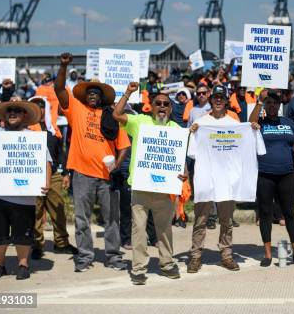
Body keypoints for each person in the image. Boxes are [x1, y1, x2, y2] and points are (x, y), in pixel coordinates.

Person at [54, 53, 131, 273]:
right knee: (81, 219)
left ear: (102, 97)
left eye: (97, 93)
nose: (93, 95)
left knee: (111, 219)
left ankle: (114, 256)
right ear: (85, 96)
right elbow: (60, 89)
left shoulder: (111, 116)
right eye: (90, 92)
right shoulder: (76, 109)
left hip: (107, 176)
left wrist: (117, 163)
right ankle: (85, 257)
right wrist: (63, 66)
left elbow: (124, 146)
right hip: (82, 174)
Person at [113, 82, 189, 285]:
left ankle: (167, 264)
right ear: (151, 106)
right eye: (158, 103)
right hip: (140, 188)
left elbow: (180, 160)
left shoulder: (175, 128)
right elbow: (117, 114)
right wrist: (128, 92)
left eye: (166, 104)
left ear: (170, 108)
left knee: (164, 229)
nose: (162, 106)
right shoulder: (140, 121)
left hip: (164, 190)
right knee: (138, 230)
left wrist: (184, 173)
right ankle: (138, 269)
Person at [0, 99, 51, 280]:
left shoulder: (33, 137)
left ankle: (23, 265)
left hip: (23, 197)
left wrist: (46, 182)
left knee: (23, 235)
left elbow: (46, 162)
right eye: (9, 111)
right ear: (4, 116)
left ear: (24, 116)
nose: (12, 113)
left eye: (17, 110)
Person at [186, 85, 259, 273]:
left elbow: (244, 144)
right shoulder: (201, 122)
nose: (218, 100)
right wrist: (191, 133)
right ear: (211, 100)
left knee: (226, 220)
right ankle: (195, 256)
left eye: (222, 98)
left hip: (227, 179)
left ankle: (226, 255)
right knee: (200, 220)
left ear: (227, 100)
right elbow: (190, 151)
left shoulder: (234, 123)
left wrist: (251, 130)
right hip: (206, 177)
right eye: (215, 97)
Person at [249, 90, 294, 267]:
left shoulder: (288, 122)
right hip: (265, 174)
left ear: (279, 106)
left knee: (290, 214)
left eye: (275, 103)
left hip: (287, 174)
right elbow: (250, 123)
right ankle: (268, 254)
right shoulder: (259, 123)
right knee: (266, 213)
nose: (272, 106)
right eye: (268, 103)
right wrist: (259, 102)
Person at [27, 96, 77, 260]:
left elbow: (60, 153)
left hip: (54, 174)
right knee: (36, 212)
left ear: (46, 109)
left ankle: (61, 243)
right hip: (33, 175)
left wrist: (65, 173)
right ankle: (37, 245)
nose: (39, 108)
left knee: (59, 209)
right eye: (35, 105)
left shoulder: (52, 129)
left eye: (42, 106)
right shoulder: (24, 129)